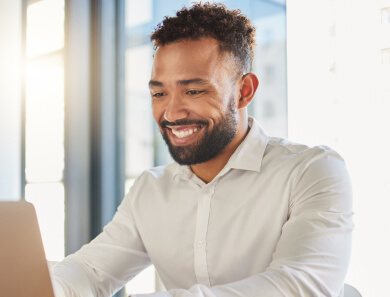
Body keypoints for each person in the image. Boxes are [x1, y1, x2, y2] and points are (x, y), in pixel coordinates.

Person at [51, 3, 353, 297]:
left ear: (244, 91)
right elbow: (90, 272)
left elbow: (302, 287)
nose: (171, 112)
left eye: (193, 91)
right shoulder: (150, 190)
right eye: (159, 93)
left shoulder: (312, 170)